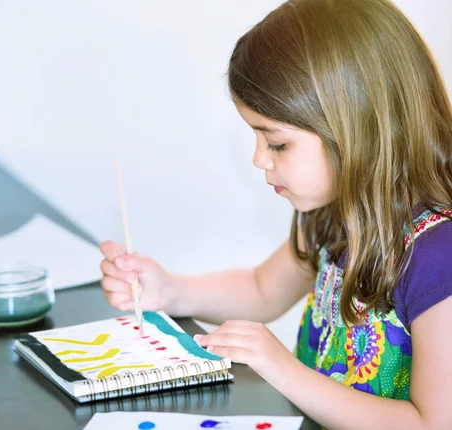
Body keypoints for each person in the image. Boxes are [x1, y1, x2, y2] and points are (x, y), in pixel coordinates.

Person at [99, 0, 452, 428]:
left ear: (360, 130)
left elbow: (432, 424)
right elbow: (263, 289)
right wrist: (169, 291)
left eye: (277, 144)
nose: (258, 159)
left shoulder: (438, 258)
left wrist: (283, 368)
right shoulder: (331, 214)